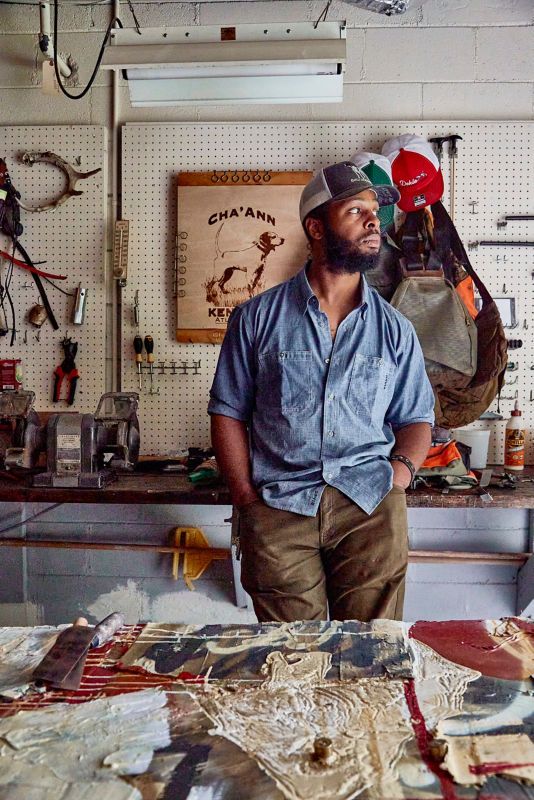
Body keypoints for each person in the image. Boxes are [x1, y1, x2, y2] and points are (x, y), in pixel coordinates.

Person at [208, 161, 434, 623]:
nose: (374, 221)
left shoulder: (395, 329)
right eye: (355, 211)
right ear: (315, 227)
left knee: (372, 655)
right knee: (291, 659)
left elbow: (416, 417)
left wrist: (399, 478)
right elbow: (227, 412)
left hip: (370, 508)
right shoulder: (256, 319)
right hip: (279, 510)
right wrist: (247, 500)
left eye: (374, 211)